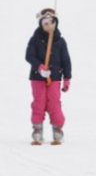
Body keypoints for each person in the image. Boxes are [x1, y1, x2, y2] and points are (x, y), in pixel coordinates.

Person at [25, 8, 72, 145]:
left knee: (54, 102)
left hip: (55, 79)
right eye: (45, 23)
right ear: (41, 24)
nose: (49, 25)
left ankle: (57, 130)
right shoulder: (34, 40)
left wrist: (67, 78)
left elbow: (66, 61)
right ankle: (37, 130)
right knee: (39, 102)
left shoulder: (60, 42)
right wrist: (39, 67)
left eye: (51, 22)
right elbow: (29, 56)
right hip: (37, 78)